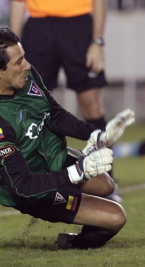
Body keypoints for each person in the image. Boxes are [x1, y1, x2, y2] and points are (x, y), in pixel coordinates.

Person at [0, 25, 135, 250]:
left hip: (50, 157)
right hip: (31, 189)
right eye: (18, 62)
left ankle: (80, 209)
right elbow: (22, 184)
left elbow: (54, 114)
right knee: (116, 217)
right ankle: (73, 242)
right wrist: (76, 173)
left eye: (23, 57)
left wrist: (96, 134)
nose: (26, 65)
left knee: (105, 185)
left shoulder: (25, 77)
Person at [9, 0, 123, 201]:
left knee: (92, 104)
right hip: (38, 27)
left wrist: (97, 42)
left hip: (78, 26)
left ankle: (107, 182)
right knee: (32, 106)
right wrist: (12, 49)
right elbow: (18, 3)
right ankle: (36, 182)